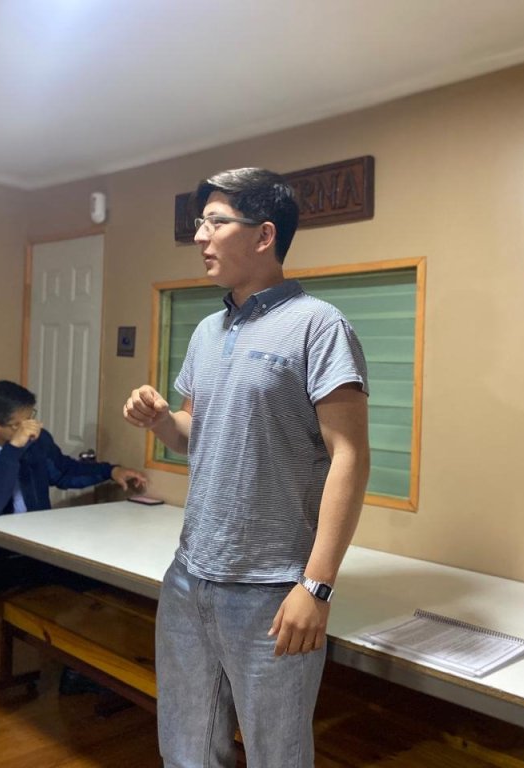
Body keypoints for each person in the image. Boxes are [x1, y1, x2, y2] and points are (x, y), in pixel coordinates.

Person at [123, 168, 370, 767]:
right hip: (188, 578)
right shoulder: (207, 332)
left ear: (264, 235)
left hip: (273, 590)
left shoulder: (319, 326)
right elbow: (193, 433)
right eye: (200, 223)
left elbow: (351, 456)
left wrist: (316, 586)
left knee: (276, 756)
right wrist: (160, 419)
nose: (199, 236)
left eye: (215, 222)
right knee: (186, 752)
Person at [0, 380, 147, 758]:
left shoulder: (37, 441)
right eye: (20, 423)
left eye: (32, 418)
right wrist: (13, 450)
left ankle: (80, 672)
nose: (32, 428)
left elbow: (64, 471)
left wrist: (112, 470)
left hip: (33, 554)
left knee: (103, 580)